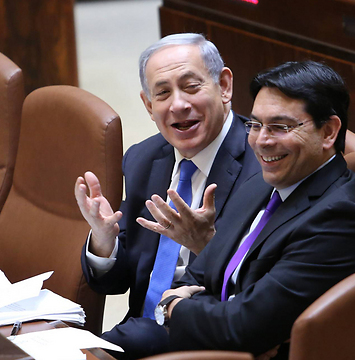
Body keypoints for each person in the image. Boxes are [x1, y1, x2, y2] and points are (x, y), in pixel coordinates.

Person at [128, 60, 355, 360]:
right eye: (255, 124)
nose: (261, 142)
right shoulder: (264, 182)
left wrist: (173, 307)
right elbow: (199, 274)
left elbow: (241, 329)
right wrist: (201, 306)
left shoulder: (339, 219)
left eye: (280, 127)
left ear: (328, 132)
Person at [74, 33, 261, 356]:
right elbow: (114, 283)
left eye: (191, 87)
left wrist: (207, 245)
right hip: (139, 334)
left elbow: (260, 291)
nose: (178, 105)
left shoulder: (262, 167)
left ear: (224, 86)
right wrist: (105, 240)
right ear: (148, 105)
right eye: (162, 93)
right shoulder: (143, 159)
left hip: (210, 338)